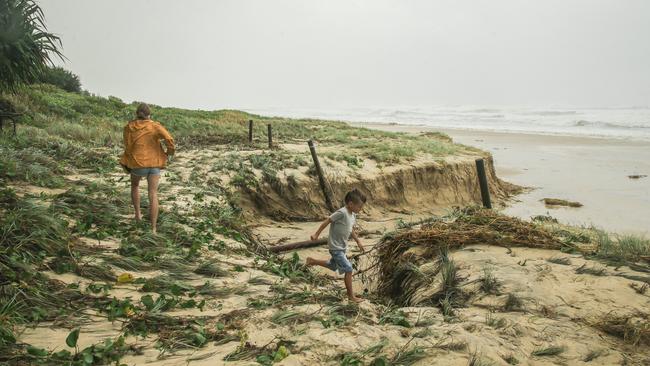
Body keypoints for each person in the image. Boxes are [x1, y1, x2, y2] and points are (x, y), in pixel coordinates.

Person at [119, 103, 175, 233]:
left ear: (137, 114)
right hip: (154, 164)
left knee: (135, 186)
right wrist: (169, 153)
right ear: (149, 115)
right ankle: (153, 228)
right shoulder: (155, 126)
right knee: (153, 194)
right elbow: (169, 139)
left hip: (138, 164)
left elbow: (127, 145)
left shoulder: (129, 127)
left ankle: (138, 215)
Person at [306, 189, 367, 303]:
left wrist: (358, 241)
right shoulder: (342, 213)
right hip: (335, 247)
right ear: (350, 204)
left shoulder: (352, 215)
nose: (361, 209)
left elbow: (350, 229)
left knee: (333, 265)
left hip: (342, 247)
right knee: (348, 269)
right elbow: (327, 221)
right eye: (359, 207)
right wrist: (316, 234)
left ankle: (312, 261)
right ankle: (351, 296)